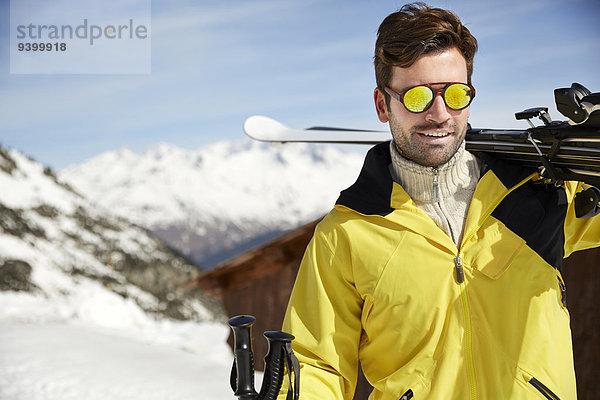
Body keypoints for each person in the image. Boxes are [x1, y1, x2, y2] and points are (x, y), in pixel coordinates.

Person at [278, 3, 600, 400]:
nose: (440, 113)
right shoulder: (346, 234)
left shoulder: (541, 192)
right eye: (417, 97)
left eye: (456, 93)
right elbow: (316, 363)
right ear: (383, 105)